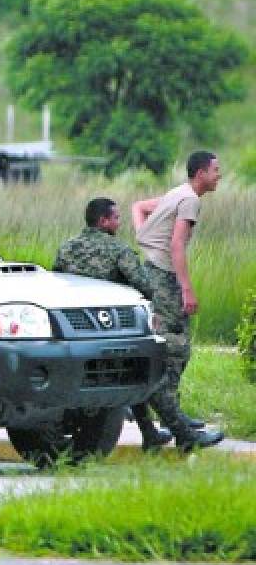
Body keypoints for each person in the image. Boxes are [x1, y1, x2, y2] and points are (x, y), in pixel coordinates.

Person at [52, 197, 173, 451]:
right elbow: (144, 284)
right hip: (111, 325)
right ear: (104, 221)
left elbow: (57, 284)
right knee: (130, 376)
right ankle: (152, 431)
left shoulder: (66, 248)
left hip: (74, 329)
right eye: (116, 217)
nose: (120, 222)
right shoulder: (118, 250)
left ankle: (149, 433)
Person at [131, 152, 225, 452]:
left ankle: (172, 420)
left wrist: (143, 238)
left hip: (152, 272)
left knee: (170, 348)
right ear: (200, 173)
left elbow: (139, 207)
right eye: (215, 170)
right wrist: (187, 290)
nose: (219, 175)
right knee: (175, 349)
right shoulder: (189, 200)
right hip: (163, 278)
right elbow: (176, 245)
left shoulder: (177, 193)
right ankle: (177, 425)